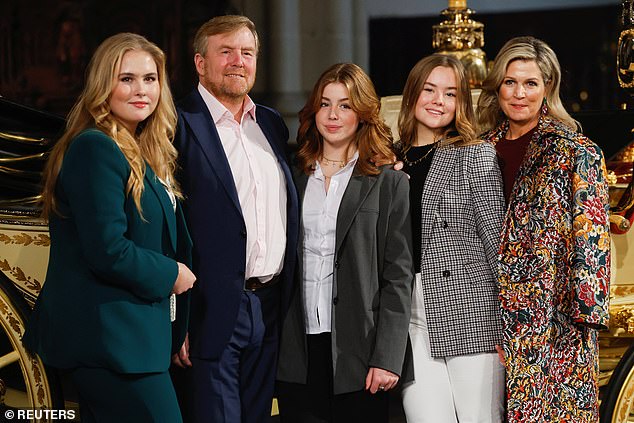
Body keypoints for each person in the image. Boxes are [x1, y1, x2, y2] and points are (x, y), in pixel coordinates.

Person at [22, 33, 196, 422]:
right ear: (104, 86)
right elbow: (107, 250)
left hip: (138, 339)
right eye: (127, 79)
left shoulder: (144, 150)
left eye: (150, 79)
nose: (141, 90)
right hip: (108, 341)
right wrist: (173, 274)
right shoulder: (95, 147)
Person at [171, 15, 299, 423]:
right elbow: (166, 227)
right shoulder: (176, 125)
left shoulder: (272, 124)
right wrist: (178, 321)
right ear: (200, 63)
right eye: (224, 52)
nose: (237, 61)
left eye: (246, 52)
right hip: (209, 309)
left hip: (270, 306)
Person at [477, 36, 611, 422]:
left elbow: (593, 236)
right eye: (510, 82)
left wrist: (584, 315)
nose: (519, 93)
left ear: (547, 87)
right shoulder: (478, 148)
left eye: (530, 83)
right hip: (487, 311)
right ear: (498, 87)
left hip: (555, 316)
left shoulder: (575, 148)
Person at [276, 63, 414, 423]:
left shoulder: (388, 182)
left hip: (359, 350)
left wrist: (386, 356)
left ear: (363, 114)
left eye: (345, 105)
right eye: (325, 104)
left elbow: (397, 277)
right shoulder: (291, 176)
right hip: (296, 349)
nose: (333, 115)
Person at [395, 54, 505, 422]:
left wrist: (507, 326)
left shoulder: (475, 155)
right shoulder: (388, 160)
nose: (438, 100)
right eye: (429, 89)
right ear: (412, 94)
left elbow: (496, 243)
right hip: (408, 319)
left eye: (450, 93)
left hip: (471, 314)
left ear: (462, 103)